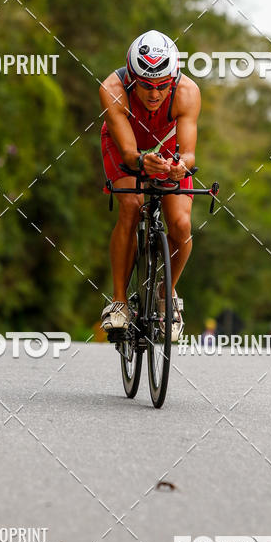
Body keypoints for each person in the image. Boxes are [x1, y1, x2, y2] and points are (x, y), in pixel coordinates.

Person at [99, 30, 201, 341]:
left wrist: (179, 166)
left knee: (181, 225)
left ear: (174, 78)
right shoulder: (112, 88)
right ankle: (118, 303)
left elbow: (189, 152)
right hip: (125, 143)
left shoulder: (187, 92)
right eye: (145, 86)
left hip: (168, 147)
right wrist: (142, 161)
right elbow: (129, 154)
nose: (154, 94)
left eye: (161, 86)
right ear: (131, 78)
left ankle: (166, 292)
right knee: (131, 205)